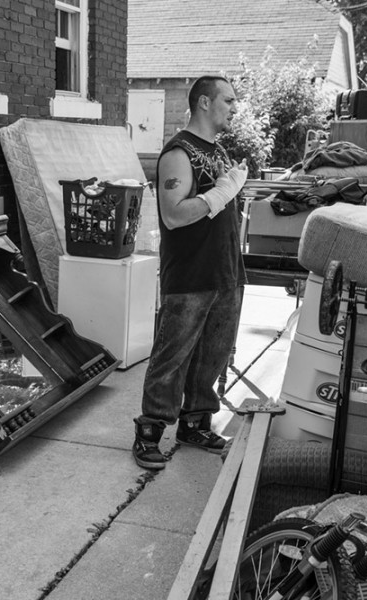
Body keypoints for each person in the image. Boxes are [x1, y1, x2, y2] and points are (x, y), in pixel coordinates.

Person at [132, 76, 249, 470]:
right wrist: (220, 194)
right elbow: (173, 214)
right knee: (172, 357)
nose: (235, 107)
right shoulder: (178, 153)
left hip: (226, 272)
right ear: (204, 102)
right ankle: (149, 431)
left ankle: (195, 424)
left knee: (211, 357)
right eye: (228, 100)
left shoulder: (219, 152)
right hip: (191, 275)